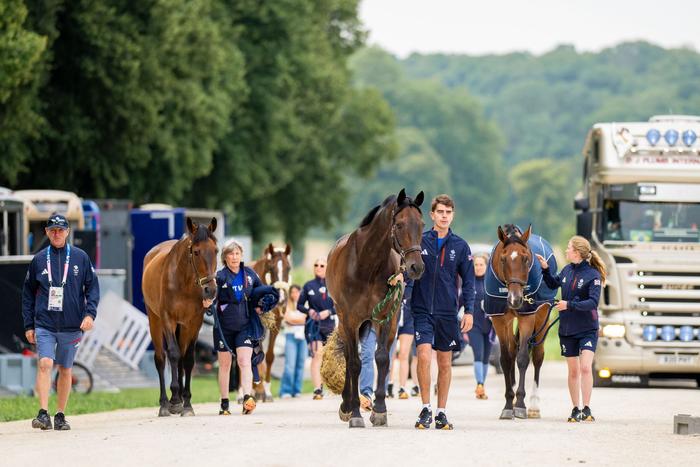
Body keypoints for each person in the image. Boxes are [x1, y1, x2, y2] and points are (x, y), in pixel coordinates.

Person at [22, 213, 100, 431]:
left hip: (71, 324)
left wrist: (89, 314)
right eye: (52, 230)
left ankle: (60, 415)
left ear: (67, 232)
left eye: (60, 230)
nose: (56, 234)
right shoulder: (38, 259)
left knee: (65, 369)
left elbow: (93, 288)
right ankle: (43, 413)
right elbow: (27, 294)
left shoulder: (80, 257)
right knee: (45, 363)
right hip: (45, 323)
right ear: (47, 232)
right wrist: (29, 325)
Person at [411, 194, 475, 430]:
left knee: (445, 363)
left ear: (452, 215)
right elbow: (408, 269)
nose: (444, 216)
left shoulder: (460, 245)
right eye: (440, 212)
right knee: (425, 356)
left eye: (448, 212)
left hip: (448, 312)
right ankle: (426, 408)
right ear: (432, 215)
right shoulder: (420, 240)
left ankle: (441, 412)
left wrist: (468, 311)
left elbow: (468, 282)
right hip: (422, 309)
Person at [536, 235, 606, 423]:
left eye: (568, 248)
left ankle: (587, 408)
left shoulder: (593, 275)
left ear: (576, 252)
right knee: (573, 371)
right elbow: (552, 283)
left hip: (587, 328)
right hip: (567, 329)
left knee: (585, 367)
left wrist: (569, 305)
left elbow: (592, 303)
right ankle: (575, 408)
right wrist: (545, 269)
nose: (566, 251)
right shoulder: (566, 270)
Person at [203, 240, 276, 415]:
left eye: (237, 253)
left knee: (244, 362)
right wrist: (207, 302)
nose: (234, 257)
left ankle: (247, 399)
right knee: (225, 365)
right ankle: (224, 402)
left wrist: (264, 305)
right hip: (223, 327)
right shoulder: (219, 276)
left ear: (241, 255)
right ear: (225, 257)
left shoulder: (250, 274)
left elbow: (263, 292)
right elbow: (208, 293)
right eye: (231, 254)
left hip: (245, 326)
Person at [298, 257, 335, 400]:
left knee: (330, 357)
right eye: (316, 265)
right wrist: (309, 312)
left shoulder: (333, 285)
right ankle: (317, 388)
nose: (318, 267)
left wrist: (329, 311)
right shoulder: (308, 286)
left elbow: (341, 304)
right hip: (314, 326)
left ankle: (332, 385)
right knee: (317, 354)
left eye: (322, 265)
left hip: (330, 324)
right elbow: (299, 305)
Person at [467, 253, 492, 400]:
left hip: (489, 326)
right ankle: (480, 384)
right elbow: (460, 303)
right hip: (473, 325)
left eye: (481, 264)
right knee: (478, 353)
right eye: (476, 264)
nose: (478, 267)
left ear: (486, 266)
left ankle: (482, 384)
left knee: (486, 357)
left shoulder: (490, 284)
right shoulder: (469, 283)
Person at [279, 284, 306, 398]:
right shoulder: (287, 305)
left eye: (297, 292)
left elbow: (306, 319)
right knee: (289, 365)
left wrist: (294, 320)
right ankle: (286, 390)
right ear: (290, 294)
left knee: (300, 364)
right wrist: (300, 320)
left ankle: (297, 390)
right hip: (290, 336)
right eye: (292, 292)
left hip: (303, 337)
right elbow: (287, 319)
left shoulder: (305, 304)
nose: (295, 294)